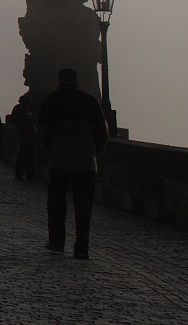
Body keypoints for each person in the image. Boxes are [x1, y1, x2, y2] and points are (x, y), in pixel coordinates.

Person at [39, 68, 108, 259]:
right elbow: (103, 131)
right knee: (83, 205)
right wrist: (95, 152)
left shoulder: (52, 100)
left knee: (57, 202)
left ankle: (57, 242)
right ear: (77, 80)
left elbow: (43, 131)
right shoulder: (90, 101)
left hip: (59, 159)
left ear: (59, 80)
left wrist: (50, 150)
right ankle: (82, 247)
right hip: (86, 161)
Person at [10, 95, 38, 180]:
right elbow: (27, 120)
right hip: (27, 135)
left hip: (23, 134)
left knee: (23, 155)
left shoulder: (17, 108)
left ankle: (21, 174)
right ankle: (27, 174)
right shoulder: (23, 109)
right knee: (27, 155)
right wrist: (34, 118)